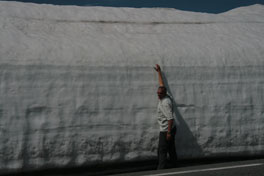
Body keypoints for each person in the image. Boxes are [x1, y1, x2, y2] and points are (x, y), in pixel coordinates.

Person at [154, 64, 177, 169]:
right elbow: (161, 84)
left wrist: (168, 132)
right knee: (171, 148)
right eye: (157, 93)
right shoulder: (166, 95)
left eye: (159, 94)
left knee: (162, 150)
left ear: (163, 94)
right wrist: (159, 72)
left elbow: (170, 118)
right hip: (171, 128)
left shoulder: (165, 103)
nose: (158, 95)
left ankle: (161, 169)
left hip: (166, 129)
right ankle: (175, 165)